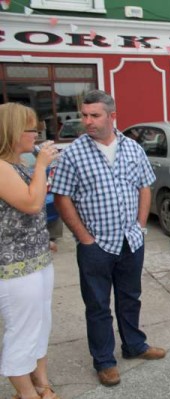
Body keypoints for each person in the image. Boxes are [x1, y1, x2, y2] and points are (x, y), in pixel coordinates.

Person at [51, 90, 165, 388]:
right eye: (84, 115)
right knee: (98, 306)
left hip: (131, 240)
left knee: (130, 298)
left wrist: (140, 226)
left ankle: (134, 346)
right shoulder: (74, 153)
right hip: (96, 245)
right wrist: (84, 237)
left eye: (94, 115)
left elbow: (144, 187)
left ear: (112, 116)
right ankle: (104, 361)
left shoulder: (133, 148)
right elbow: (62, 197)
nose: (87, 121)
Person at [0, 103, 60, 399]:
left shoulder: (19, 164)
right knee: (22, 330)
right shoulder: (1, 167)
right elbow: (32, 203)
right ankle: (26, 393)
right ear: (11, 131)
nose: (36, 134)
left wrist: (41, 239)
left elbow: (23, 217)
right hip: (14, 268)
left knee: (41, 324)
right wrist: (41, 165)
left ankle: (42, 382)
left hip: (37, 259)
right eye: (30, 128)